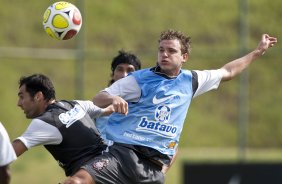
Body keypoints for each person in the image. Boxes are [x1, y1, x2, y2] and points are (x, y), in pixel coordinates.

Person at [90, 29, 277, 184]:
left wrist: (257, 52)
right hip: (121, 156)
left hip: (152, 169)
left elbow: (227, 71)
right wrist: (113, 99)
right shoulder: (139, 80)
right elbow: (98, 98)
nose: (164, 54)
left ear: (184, 56)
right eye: (161, 50)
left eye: (171, 51)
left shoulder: (192, 80)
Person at [12, 74, 115, 183]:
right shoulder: (75, 104)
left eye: (22, 97)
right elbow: (106, 110)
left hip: (91, 176)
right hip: (112, 165)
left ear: (38, 96)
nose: (19, 103)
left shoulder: (44, 122)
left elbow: (8, 153)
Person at [95, 50, 141, 145]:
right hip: (102, 154)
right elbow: (96, 102)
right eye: (120, 69)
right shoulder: (103, 98)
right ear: (112, 74)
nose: (124, 75)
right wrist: (113, 99)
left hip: (130, 155)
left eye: (130, 70)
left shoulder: (145, 101)